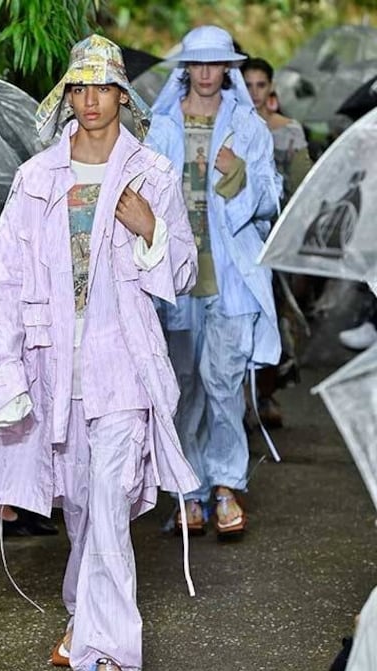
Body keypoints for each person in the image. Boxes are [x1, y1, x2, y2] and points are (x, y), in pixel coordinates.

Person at [0, 35, 199, 671]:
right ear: (67, 96)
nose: (91, 99)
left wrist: (151, 229)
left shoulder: (152, 172)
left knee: (108, 505)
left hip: (122, 364)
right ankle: (83, 616)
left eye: (102, 87)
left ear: (122, 95)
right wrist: (5, 374)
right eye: (79, 87)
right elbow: (1, 283)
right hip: (51, 368)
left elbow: (180, 276)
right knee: (82, 509)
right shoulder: (36, 176)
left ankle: (109, 657)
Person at [145, 25, 281, 539]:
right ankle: (189, 490)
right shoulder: (159, 126)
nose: (205, 72)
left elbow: (270, 200)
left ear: (227, 68)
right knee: (181, 386)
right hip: (175, 276)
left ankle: (225, 485)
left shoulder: (248, 125)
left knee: (222, 383)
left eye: (215, 63)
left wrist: (238, 173)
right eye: (197, 63)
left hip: (230, 275)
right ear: (186, 68)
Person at [241, 57, 314, 427]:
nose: (254, 92)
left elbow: (304, 187)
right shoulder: (230, 129)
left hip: (280, 241)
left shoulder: (288, 132)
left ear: (271, 90)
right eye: (247, 84)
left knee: (276, 320)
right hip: (241, 241)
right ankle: (245, 399)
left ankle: (264, 394)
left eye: (260, 85)